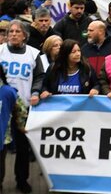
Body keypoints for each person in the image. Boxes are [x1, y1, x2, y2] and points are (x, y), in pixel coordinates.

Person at [0, 20, 44, 193]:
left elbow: (40, 76)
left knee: (23, 146)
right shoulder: (0, 51)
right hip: (2, 107)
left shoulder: (34, 54)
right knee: (1, 146)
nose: (13, 34)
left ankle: (22, 179)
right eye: (10, 31)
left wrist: (35, 92)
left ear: (25, 35)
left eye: (17, 31)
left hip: (24, 107)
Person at [33, 39, 99, 101]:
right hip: (59, 109)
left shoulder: (87, 68)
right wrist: (45, 91)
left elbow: (96, 84)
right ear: (65, 54)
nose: (78, 54)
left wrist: (95, 89)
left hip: (80, 109)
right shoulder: (53, 68)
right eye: (73, 52)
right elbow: (45, 85)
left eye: (79, 51)